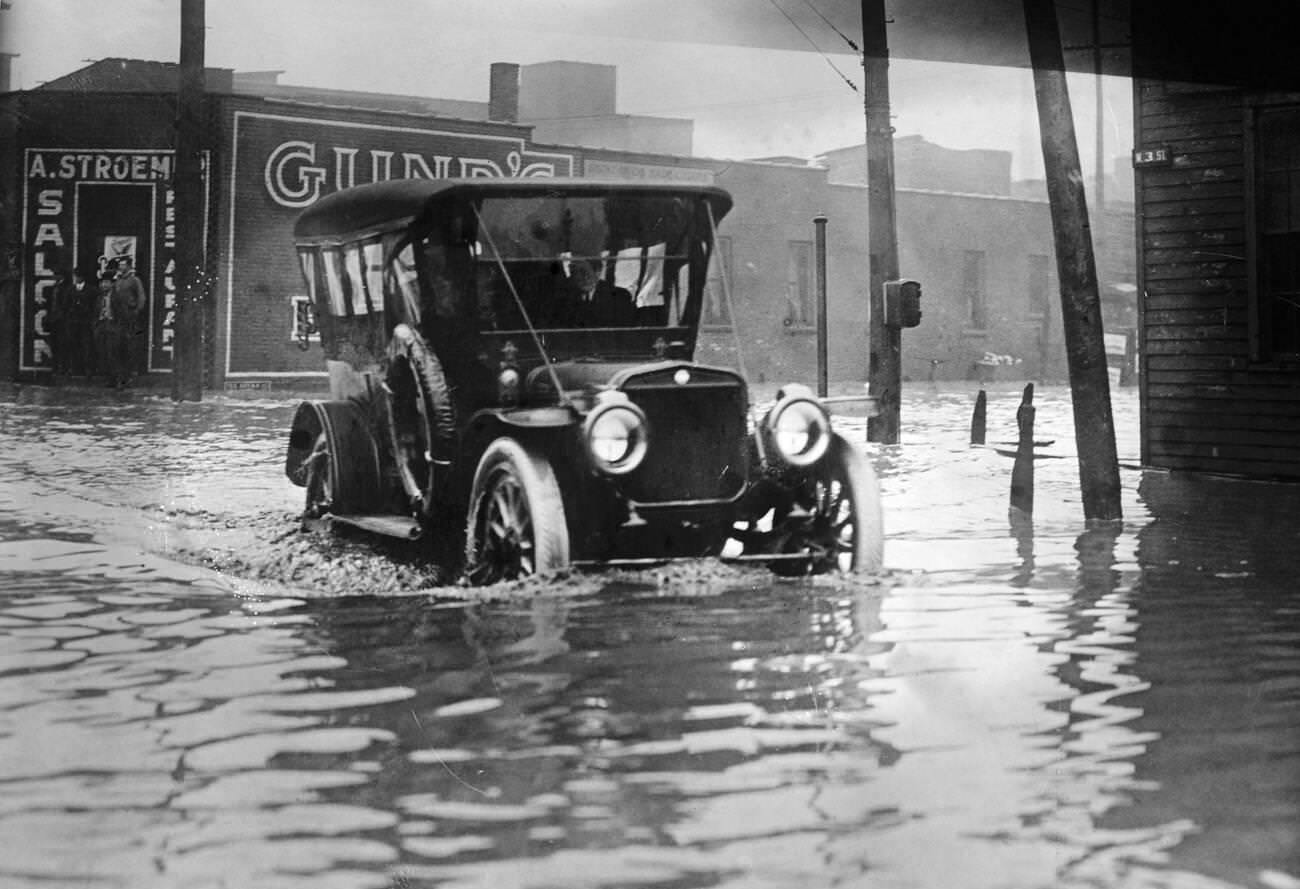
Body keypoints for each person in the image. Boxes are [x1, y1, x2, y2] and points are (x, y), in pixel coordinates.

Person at [50, 266, 95, 377]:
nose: (77, 278)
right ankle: (73, 368)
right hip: (73, 322)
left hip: (85, 322)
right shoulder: (70, 289)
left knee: (86, 345)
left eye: (78, 276)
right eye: (75, 276)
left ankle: (87, 369)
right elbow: (65, 305)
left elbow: (94, 306)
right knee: (73, 345)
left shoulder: (91, 290)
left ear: (83, 277)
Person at [110, 256, 147, 387]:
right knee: (117, 347)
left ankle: (128, 377)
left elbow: (141, 297)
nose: (121, 267)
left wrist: (136, 311)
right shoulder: (117, 281)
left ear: (129, 266)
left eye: (124, 265)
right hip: (118, 318)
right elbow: (113, 297)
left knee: (129, 347)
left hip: (130, 317)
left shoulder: (134, 280)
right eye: (120, 265)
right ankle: (119, 377)